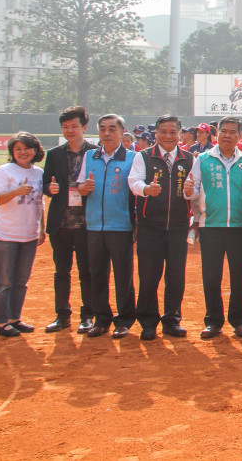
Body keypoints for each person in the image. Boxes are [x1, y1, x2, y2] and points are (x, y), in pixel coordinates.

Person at [184, 116, 242, 339]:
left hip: (240, 226)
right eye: (224, 130)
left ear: (239, 135)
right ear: (217, 133)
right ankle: (213, 321)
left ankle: (240, 321)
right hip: (210, 225)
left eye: (233, 131)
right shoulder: (203, 159)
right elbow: (193, 191)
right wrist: (188, 191)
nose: (227, 135)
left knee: (239, 277)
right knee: (211, 276)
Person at [128, 114, 194, 340]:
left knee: (176, 277)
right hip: (150, 226)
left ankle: (171, 320)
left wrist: (190, 192)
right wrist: (146, 189)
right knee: (149, 275)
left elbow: (195, 190)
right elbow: (134, 181)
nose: (168, 136)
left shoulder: (188, 159)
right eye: (163, 132)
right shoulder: (144, 157)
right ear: (155, 134)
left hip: (178, 226)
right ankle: (148, 322)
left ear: (180, 134)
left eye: (173, 132)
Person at [77, 114, 137, 339]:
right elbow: (80, 186)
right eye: (103, 129)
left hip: (121, 226)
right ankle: (102, 318)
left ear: (122, 132)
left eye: (112, 129)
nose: (107, 133)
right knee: (97, 274)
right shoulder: (89, 156)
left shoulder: (132, 158)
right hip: (93, 226)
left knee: (123, 276)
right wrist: (85, 188)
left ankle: (124, 319)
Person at [42, 106, 97, 333]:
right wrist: (49, 188)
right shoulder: (54, 154)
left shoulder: (95, 152)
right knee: (61, 271)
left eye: (74, 126)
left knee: (87, 272)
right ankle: (62, 315)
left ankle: (87, 316)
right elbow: (44, 184)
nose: (70, 131)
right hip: (61, 223)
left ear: (84, 127)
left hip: (86, 223)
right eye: (65, 127)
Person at [0, 132, 46, 337]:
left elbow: (41, 202)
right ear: (12, 152)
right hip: (5, 234)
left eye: (27, 148)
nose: (23, 152)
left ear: (35, 150)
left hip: (28, 235)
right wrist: (16, 191)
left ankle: (14, 318)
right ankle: (1, 322)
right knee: (4, 281)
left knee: (21, 281)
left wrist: (41, 227)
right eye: (18, 149)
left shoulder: (38, 173)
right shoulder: (4, 171)